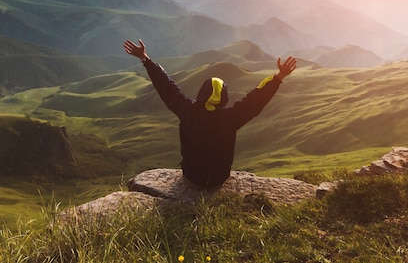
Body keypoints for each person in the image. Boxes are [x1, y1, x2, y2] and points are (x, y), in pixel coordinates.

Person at [124, 39, 297, 189]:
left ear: (202, 93)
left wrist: (145, 59)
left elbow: (166, 86)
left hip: (192, 176)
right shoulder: (231, 118)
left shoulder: (187, 110)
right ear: (224, 97)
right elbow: (256, 99)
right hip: (218, 179)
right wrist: (279, 76)